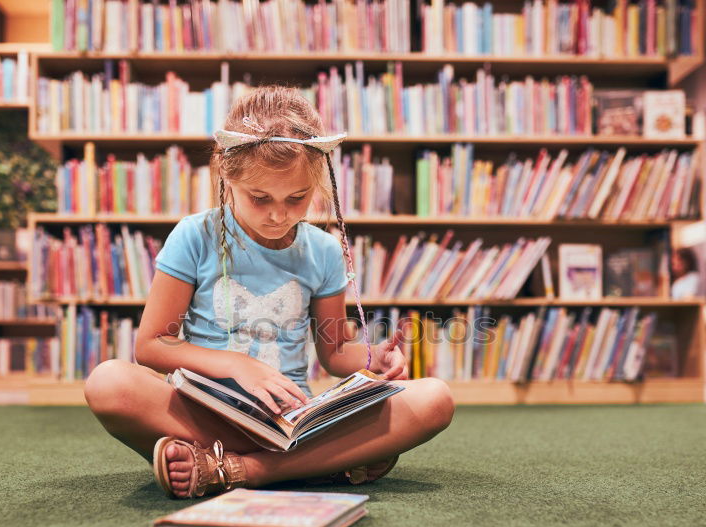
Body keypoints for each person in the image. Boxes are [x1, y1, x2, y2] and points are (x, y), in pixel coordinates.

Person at [83, 86, 455, 499]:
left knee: (435, 398)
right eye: (259, 198)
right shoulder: (195, 235)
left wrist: (374, 357)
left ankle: (240, 468)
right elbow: (152, 346)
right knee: (109, 382)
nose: (279, 214)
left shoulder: (325, 251)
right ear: (228, 176)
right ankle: (316, 466)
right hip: (208, 411)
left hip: (294, 422)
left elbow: (334, 354)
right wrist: (237, 365)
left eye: (297, 198)